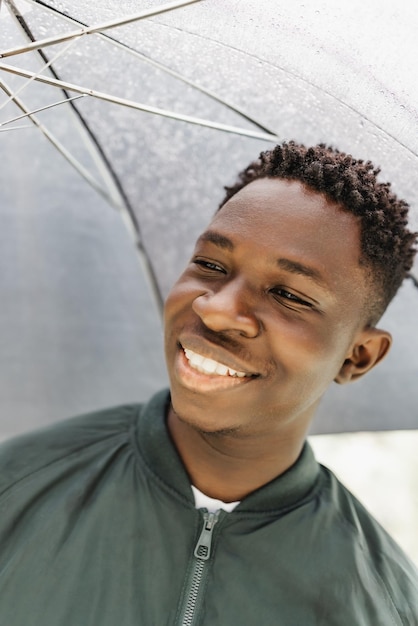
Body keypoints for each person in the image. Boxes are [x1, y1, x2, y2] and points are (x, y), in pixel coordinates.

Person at [0, 142, 417, 625]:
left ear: (358, 356)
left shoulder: (383, 607)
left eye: (288, 295)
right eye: (211, 265)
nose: (215, 309)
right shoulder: (16, 486)